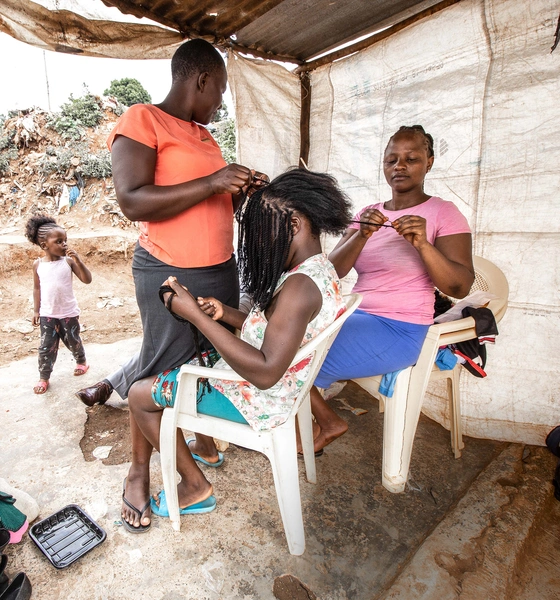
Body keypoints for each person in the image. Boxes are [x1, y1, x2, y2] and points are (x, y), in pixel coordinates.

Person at [120, 169, 353, 532]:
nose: (258, 244)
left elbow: (264, 371)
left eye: (262, 232)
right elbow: (275, 333)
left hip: (257, 397)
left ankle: (195, 486)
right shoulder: (316, 271)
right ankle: (207, 449)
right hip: (280, 388)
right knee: (178, 366)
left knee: (138, 394)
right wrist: (224, 313)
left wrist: (197, 318)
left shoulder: (299, 288)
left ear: (292, 224)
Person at [76, 39, 265, 407]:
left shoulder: (205, 135)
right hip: (169, 269)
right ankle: (142, 458)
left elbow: (212, 201)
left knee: (209, 359)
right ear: (202, 80)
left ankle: (205, 442)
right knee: (163, 365)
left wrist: (242, 191)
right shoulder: (142, 119)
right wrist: (214, 181)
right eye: (221, 91)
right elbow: (132, 200)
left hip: (220, 269)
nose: (220, 102)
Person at [308, 125, 475, 453]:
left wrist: (424, 246)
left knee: (302, 355)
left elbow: (459, 285)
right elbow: (332, 271)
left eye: (411, 159)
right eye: (391, 160)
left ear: (429, 162)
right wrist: (362, 234)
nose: (399, 166)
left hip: (400, 329)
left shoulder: (443, 213)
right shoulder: (369, 214)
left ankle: (321, 421)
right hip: (356, 313)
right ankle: (317, 416)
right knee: (293, 337)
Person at [25, 215, 92, 394]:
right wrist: (36, 310)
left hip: (68, 313)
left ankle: (81, 362)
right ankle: (44, 378)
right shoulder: (37, 265)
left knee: (73, 341)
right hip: (48, 314)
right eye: (59, 241)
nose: (64, 244)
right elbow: (36, 289)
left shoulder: (68, 262)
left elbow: (87, 280)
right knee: (46, 347)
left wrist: (78, 260)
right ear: (44, 245)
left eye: (65, 240)